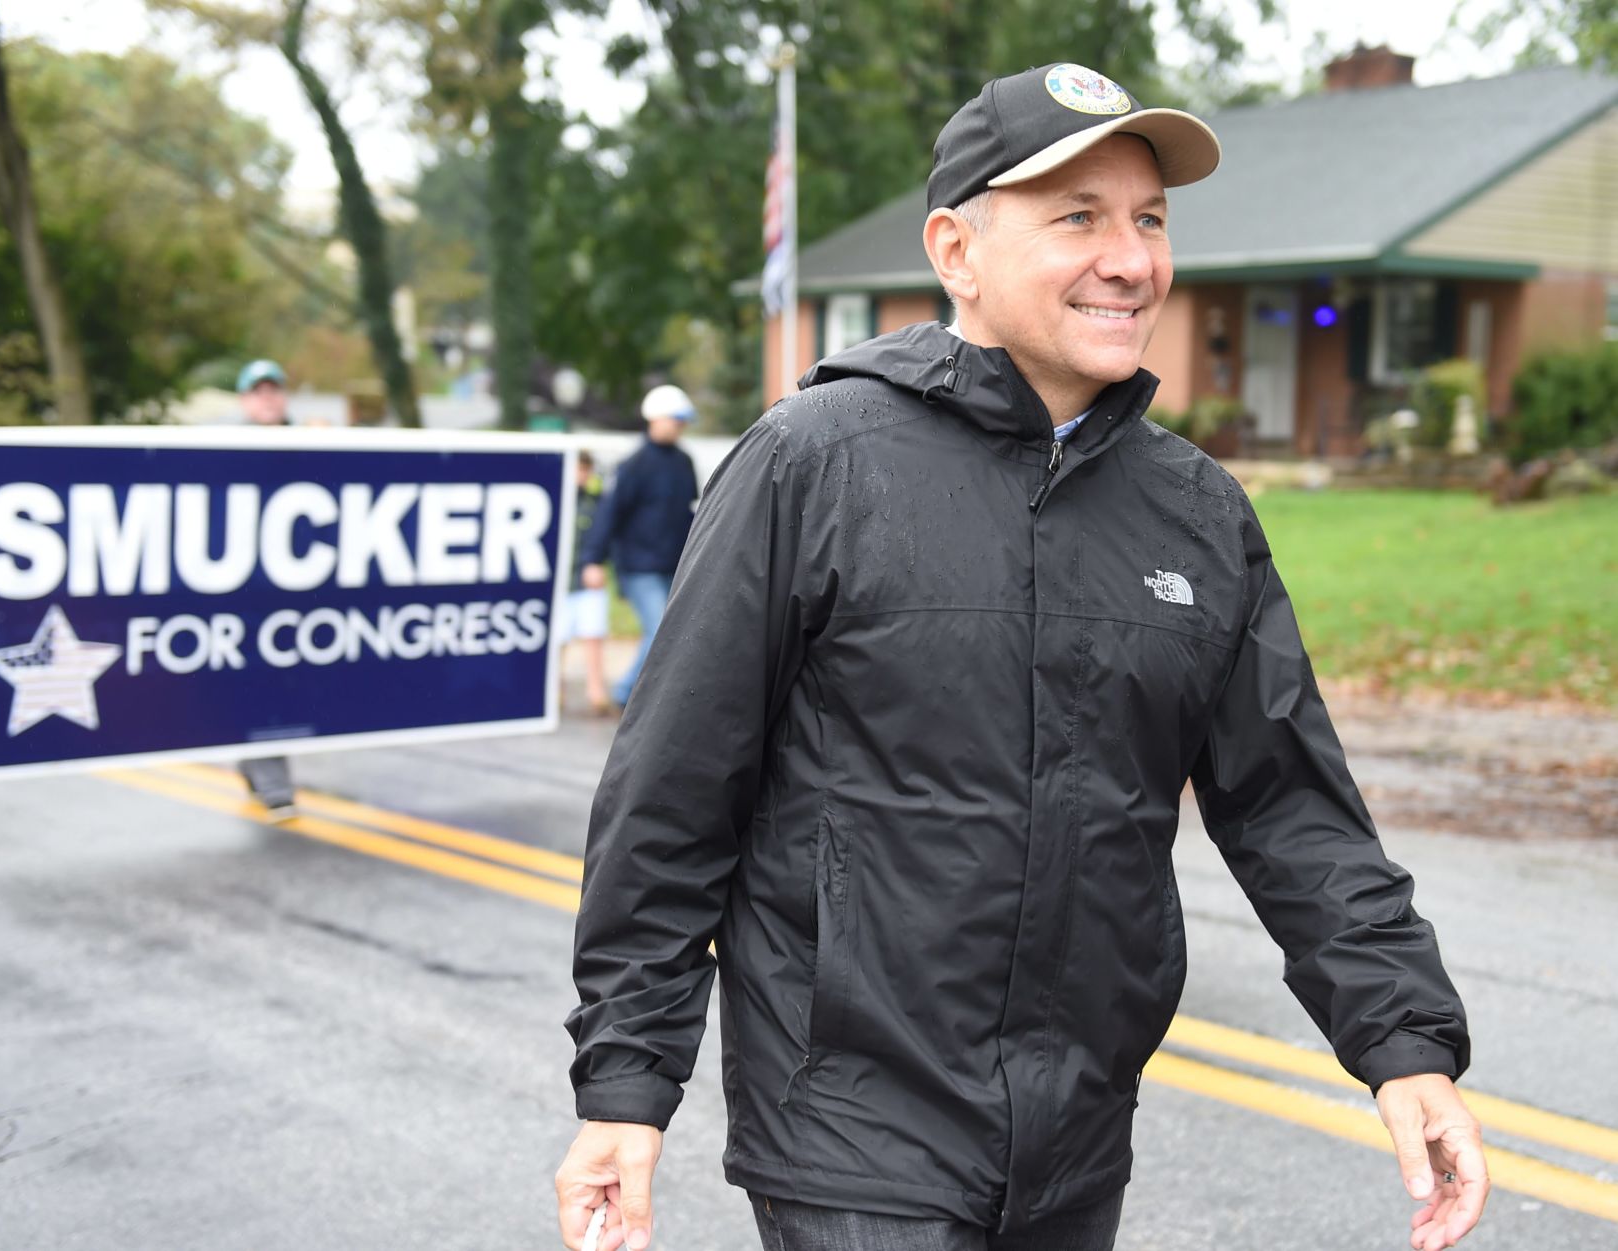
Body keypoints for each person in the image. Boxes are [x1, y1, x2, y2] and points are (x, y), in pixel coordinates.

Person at [556, 63, 1489, 1251]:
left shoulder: (1195, 514)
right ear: (956, 250)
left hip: (1077, 1135)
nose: (1130, 258)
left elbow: (1292, 811)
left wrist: (1402, 1046)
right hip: (850, 1131)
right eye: (1077, 217)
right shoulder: (812, 464)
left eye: (1148, 219)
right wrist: (625, 1090)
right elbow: (672, 793)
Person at [577, 384, 700, 711]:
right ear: (655, 418)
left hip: (674, 564)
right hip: (639, 567)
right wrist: (592, 560)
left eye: (682, 421)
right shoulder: (633, 465)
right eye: (674, 420)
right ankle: (625, 694)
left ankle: (653, 698)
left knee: (674, 631)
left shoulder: (683, 462)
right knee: (661, 628)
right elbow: (609, 513)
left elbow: (691, 512)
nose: (679, 427)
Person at [234, 358, 297, 822]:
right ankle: (274, 783)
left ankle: (252, 759)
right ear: (244, 401)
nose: (268, 398)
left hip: (298, 595)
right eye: (259, 391)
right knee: (263, 686)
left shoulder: (311, 444)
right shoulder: (226, 448)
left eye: (274, 389)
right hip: (245, 594)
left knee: (283, 686)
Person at [559, 451, 612, 715]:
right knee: (558, 639)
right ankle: (554, 689)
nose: (581, 475)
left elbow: (603, 536)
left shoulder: (595, 502)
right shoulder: (556, 498)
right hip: (561, 582)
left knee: (594, 635)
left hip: (587, 577)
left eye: (584, 470)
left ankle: (596, 691)